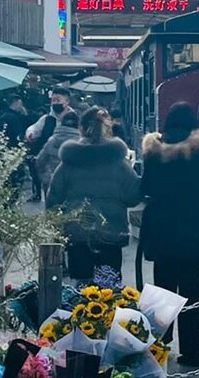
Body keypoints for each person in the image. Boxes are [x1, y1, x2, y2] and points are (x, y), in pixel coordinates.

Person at [139, 104, 199, 367]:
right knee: (191, 292)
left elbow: (145, 187)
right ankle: (193, 353)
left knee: (162, 290)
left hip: (161, 231)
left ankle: (159, 346)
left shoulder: (154, 151)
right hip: (194, 231)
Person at [46, 106, 141, 281]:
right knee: (109, 288)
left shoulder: (69, 161)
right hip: (111, 234)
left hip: (77, 233)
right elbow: (133, 197)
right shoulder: (119, 162)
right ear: (108, 128)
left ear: (80, 128)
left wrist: (58, 228)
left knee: (81, 285)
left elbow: (53, 199)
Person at [33, 109, 81, 199]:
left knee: (53, 207)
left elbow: (39, 161)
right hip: (75, 186)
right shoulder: (81, 143)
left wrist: (45, 178)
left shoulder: (52, 141)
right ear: (78, 125)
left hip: (52, 183)